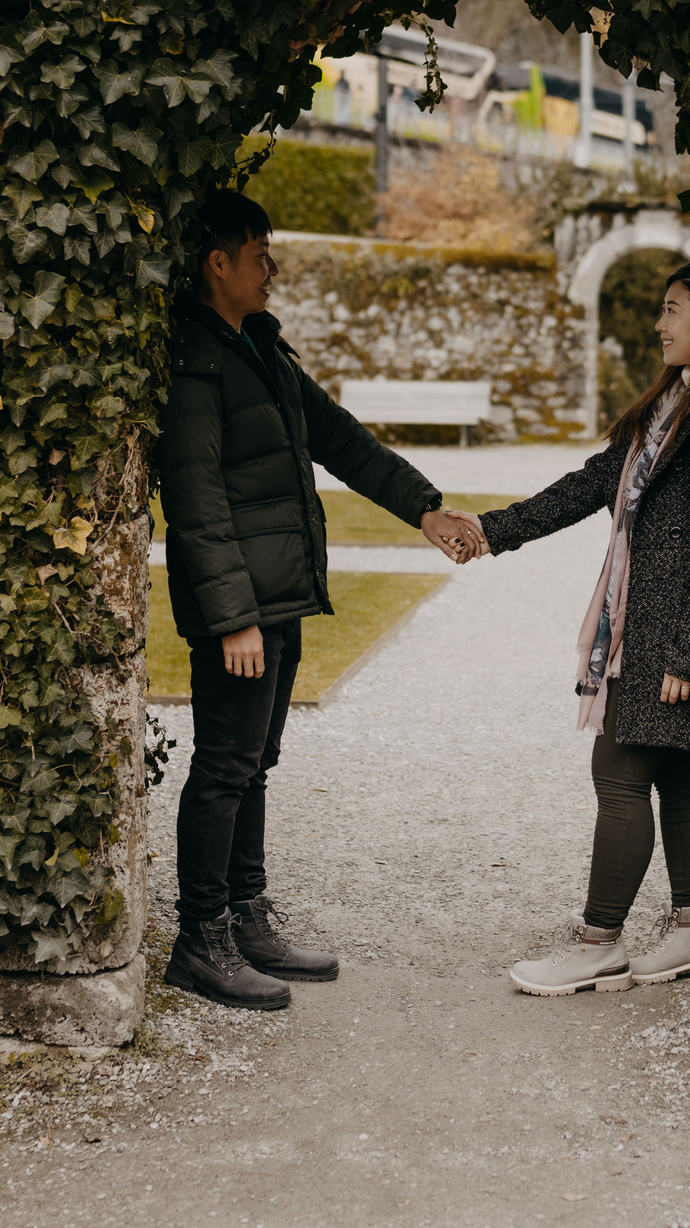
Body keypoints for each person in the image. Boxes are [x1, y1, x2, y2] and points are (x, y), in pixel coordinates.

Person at [156, 188, 487, 1010]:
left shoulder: (260, 345)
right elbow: (195, 497)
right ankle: (200, 940)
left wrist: (423, 506)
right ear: (218, 263)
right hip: (242, 607)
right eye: (260, 254)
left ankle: (244, 914)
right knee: (225, 765)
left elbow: (341, 440)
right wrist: (232, 615)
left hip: (282, 595)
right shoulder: (196, 362)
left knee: (256, 761)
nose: (273, 268)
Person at [458, 260, 690, 995]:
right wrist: (489, 530)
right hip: (642, 626)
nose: (658, 324)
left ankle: (599, 942)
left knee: (620, 771)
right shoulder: (665, 409)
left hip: (679, 636)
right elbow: (586, 486)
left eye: (672, 310)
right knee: (676, 768)